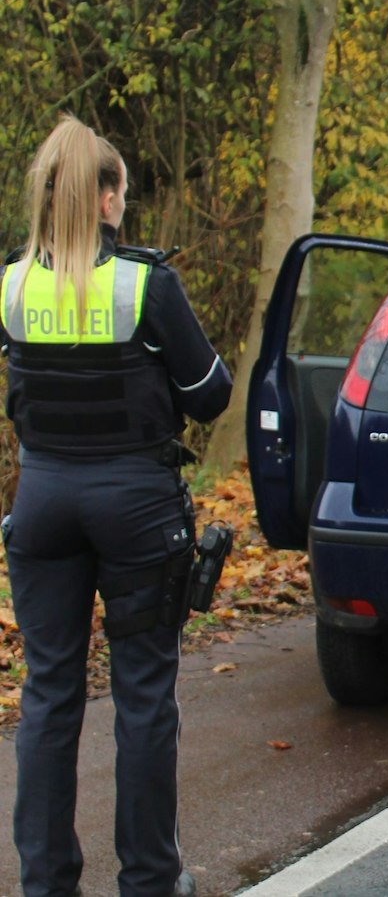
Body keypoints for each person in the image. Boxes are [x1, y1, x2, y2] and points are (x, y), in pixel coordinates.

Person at [3, 116, 230, 897]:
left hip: (42, 501)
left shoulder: (11, 283)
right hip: (135, 506)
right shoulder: (144, 283)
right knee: (141, 693)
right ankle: (150, 878)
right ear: (106, 199)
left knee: (48, 692)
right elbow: (212, 395)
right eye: (122, 194)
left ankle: (46, 884)